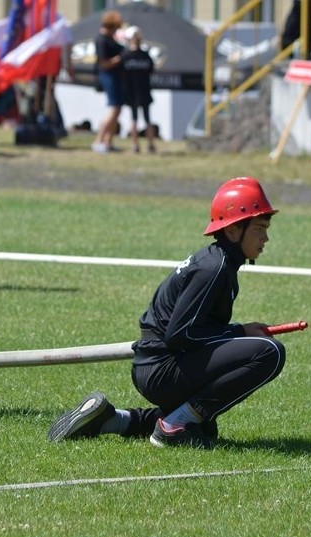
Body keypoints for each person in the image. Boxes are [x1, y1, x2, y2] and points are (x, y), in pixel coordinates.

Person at [47, 177, 287, 449]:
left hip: (156, 364)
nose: (266, 238)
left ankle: (111, 419)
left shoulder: (218, 261)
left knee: (205, 428)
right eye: (259, 228)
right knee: (270, 351)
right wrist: (239, 331)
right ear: (233, 231)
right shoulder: (214, 268)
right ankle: (174, 427)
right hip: (162, 367)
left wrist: (239, 332)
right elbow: (180, 335)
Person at [91, 10, 124, 154]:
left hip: (115, 76)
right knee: (114, 108)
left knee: (118, 110)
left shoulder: (111, 39)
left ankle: (108, 142)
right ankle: (98, 140)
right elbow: (104, 63)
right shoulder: (102, 40)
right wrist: (120, 58)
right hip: (108, 76)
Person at [122, 26, 155, 154]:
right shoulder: (145, 55)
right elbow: (151, 70)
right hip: (144, 90)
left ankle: (135, 145)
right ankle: (150, 145)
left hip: (132, 91)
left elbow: (121, 73)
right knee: (147, 119)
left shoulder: (126, 56)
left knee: (134, 119)